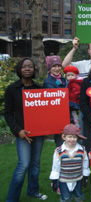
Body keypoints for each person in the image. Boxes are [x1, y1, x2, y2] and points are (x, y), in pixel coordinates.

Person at [4, 58, 47, 201]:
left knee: (35, 164)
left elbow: (45, 111)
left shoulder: (39, 88)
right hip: (22, 133)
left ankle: (32, 191)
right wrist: (18, 131)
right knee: (23, 165)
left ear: (34, 69)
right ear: (19, 70)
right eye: (24, 66)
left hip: (38, 133)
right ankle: (12, 198)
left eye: (30, 66)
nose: (27, 69)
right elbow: (8, 113)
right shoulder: (12, 89)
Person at [49, 124, 90, 202]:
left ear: (77, 138)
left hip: (78, 178)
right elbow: (55, 167)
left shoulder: (82, 150)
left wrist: (85, 176)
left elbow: (85, 164)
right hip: (64, 180)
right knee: (66, 198)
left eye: (74, 137)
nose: (72, 139)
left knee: (79, 196)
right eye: (69, 137)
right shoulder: (59, 151)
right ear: (64, 137)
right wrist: (54, 180)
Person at [43, 55, 66, 147]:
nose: (57, 68)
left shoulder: (64, 79)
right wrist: (76, 105)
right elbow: (59, 101)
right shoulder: (48, 82)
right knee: (62, 144)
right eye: (54, 66)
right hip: (58, 118)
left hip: (69, 115)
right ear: (49, 67)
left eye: (59, 66)